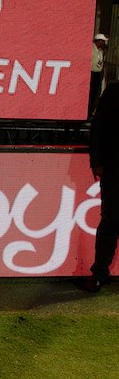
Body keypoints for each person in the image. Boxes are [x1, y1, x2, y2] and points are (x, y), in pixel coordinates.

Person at [76, 78, 118, 291]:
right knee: (111, 221)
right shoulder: (114, 91)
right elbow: (98, 128)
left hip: (111, 168)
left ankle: (101, 273)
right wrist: (97, 162)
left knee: (110, 221)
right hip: (114, 169)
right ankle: (100, 273)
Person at [90, 33, 108, 118]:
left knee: (95, 92)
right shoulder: (91, 49)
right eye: (103, 41)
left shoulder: (101, 51)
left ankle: (91, 110)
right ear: (99, 41)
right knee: (90, 92)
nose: (104, 43)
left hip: (97, 73)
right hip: (91, 73)